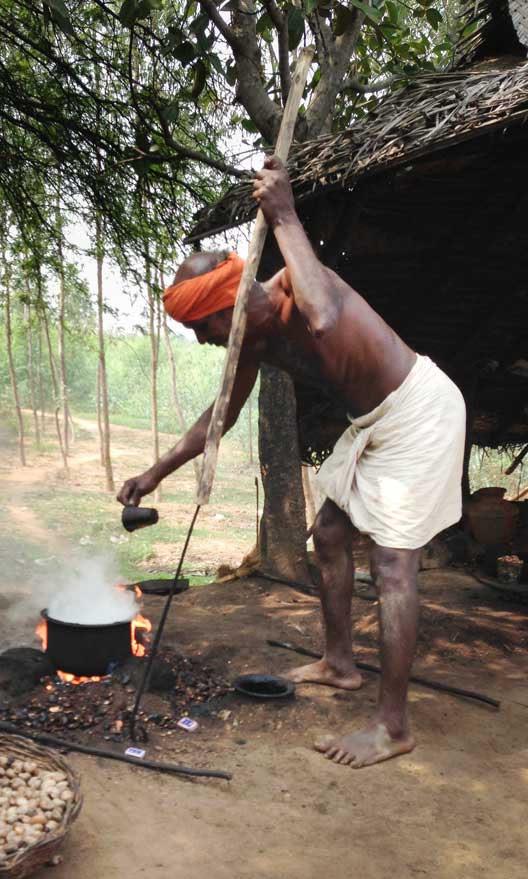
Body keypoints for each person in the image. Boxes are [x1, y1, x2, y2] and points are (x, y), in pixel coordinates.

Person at [117, 155, 466, 768]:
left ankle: (393, 726)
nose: (201, 341)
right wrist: (155, 473)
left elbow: (325, 319)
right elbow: (219, 415)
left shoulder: (299, 289)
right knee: (330, 535)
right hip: (372, 426)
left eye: (201, 327)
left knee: (391, 565)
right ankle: (339, 664)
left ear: (227, 305)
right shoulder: (250, 338)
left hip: (420, 413)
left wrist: (283, 214)